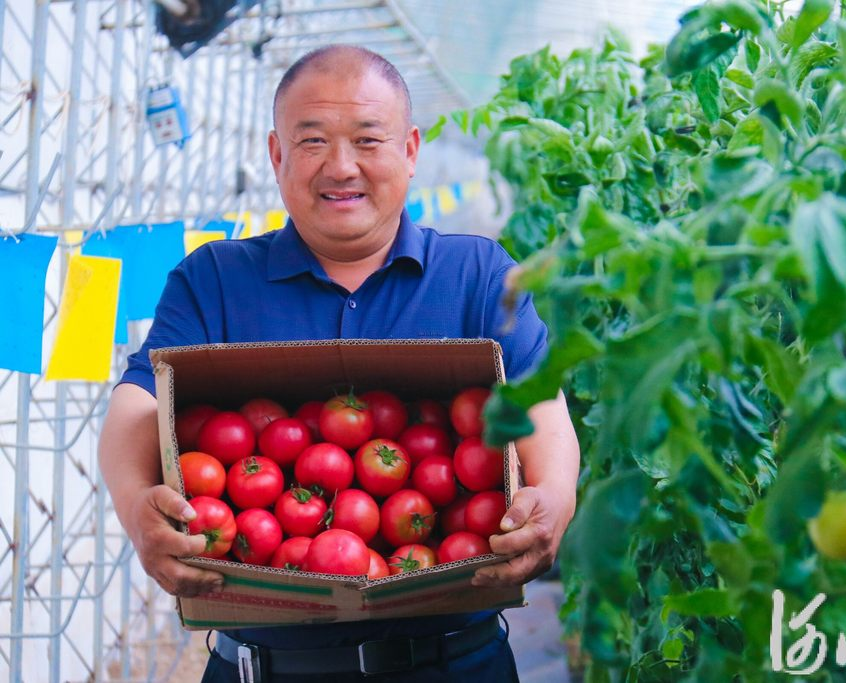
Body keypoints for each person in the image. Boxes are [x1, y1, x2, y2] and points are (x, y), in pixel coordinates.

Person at [97, 45, 580, 682]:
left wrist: (555, 502)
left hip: (454, 664)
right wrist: (137, 509)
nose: (341, 166)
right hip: (262, 667)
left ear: (410, 151)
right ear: (277, 156)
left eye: (367, 139)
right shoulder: (213, 279)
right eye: (313, 140)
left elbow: (543, 408)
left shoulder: (478, 274)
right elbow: (138, 403)